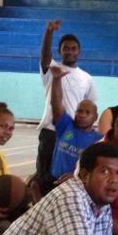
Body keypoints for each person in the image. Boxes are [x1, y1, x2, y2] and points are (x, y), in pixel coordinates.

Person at [36, 19, 97, 192]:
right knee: (45, 180)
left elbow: (90, 107)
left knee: (69, 182)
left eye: (73, 48)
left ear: (79, 51)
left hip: (73, 136)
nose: (69, 51)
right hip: (51, 132)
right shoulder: (52, 68)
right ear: (59, 51)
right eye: (66, 48)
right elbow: (44, 55)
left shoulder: (87, 78)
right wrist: (49, 32)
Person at [39, 65, 103, 198]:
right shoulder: (66, 126)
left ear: (95, 117)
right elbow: (56, 104)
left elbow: (96, 169)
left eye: (87, 112)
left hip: (77, 188)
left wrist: (76, 177)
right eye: (79, 111)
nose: (82, 114)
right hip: (54, 183)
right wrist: (56, 80)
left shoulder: (99, 140)